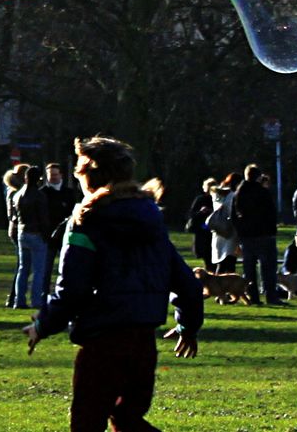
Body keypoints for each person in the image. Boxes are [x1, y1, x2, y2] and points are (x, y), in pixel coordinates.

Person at [22, 136, 203, 432]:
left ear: (89, 176)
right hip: (143, 340)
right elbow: (187, 283)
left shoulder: (86, 221)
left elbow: (73, 289)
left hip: (103, 339)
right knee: (127, 418)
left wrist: (43, 324)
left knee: (87, 423)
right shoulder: (152, 221)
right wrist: (188, 326)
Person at [233, 164, 284, 305]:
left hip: (246, 236)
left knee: (249, 269)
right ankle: (271, 296)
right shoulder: (263, 193)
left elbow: (235, 216)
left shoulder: (239, 193)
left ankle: (252, 296)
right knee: (268, 268)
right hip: (264, 234)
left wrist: (240, 233)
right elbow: (271, 214)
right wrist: (272, 231)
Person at [13, 166, 51, 310]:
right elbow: (43, 218)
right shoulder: (39, 196)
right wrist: (47, 234)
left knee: (23, 269)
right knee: (39, 270)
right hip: (36, 233)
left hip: (22, 233)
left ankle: (19, 300)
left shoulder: (18, 195)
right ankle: (36, 300)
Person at [40, 162, 80, 282]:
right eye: (50, 175)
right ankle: (43, 293)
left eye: (55, 174)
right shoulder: (42, 193)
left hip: (64, 234)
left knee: (67, 265)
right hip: (49, 235)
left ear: (61, 175)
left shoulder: (69, 193)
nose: (53, 177)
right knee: (46, 267)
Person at [3, 164, 30, 308]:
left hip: (14, 229)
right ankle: (14, 296)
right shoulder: (19, 192)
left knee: (22, 264)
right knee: (23, 265)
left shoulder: (11, 191)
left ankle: (14, 296)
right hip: (19, 229)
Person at [209, 172, 242, 274]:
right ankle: (230, 288)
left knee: (221, 263)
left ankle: (217, 287)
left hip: (219, 231)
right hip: (230, 232)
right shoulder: (233, 196)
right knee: (230, 263)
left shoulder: (217, 196)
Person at [187, 178, 217, 271]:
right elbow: (191, 215)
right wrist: (201, 212)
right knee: (209, 260)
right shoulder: (201, 199)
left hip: (211, 232)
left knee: (211, 261)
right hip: (204, 233)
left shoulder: (216, 199)